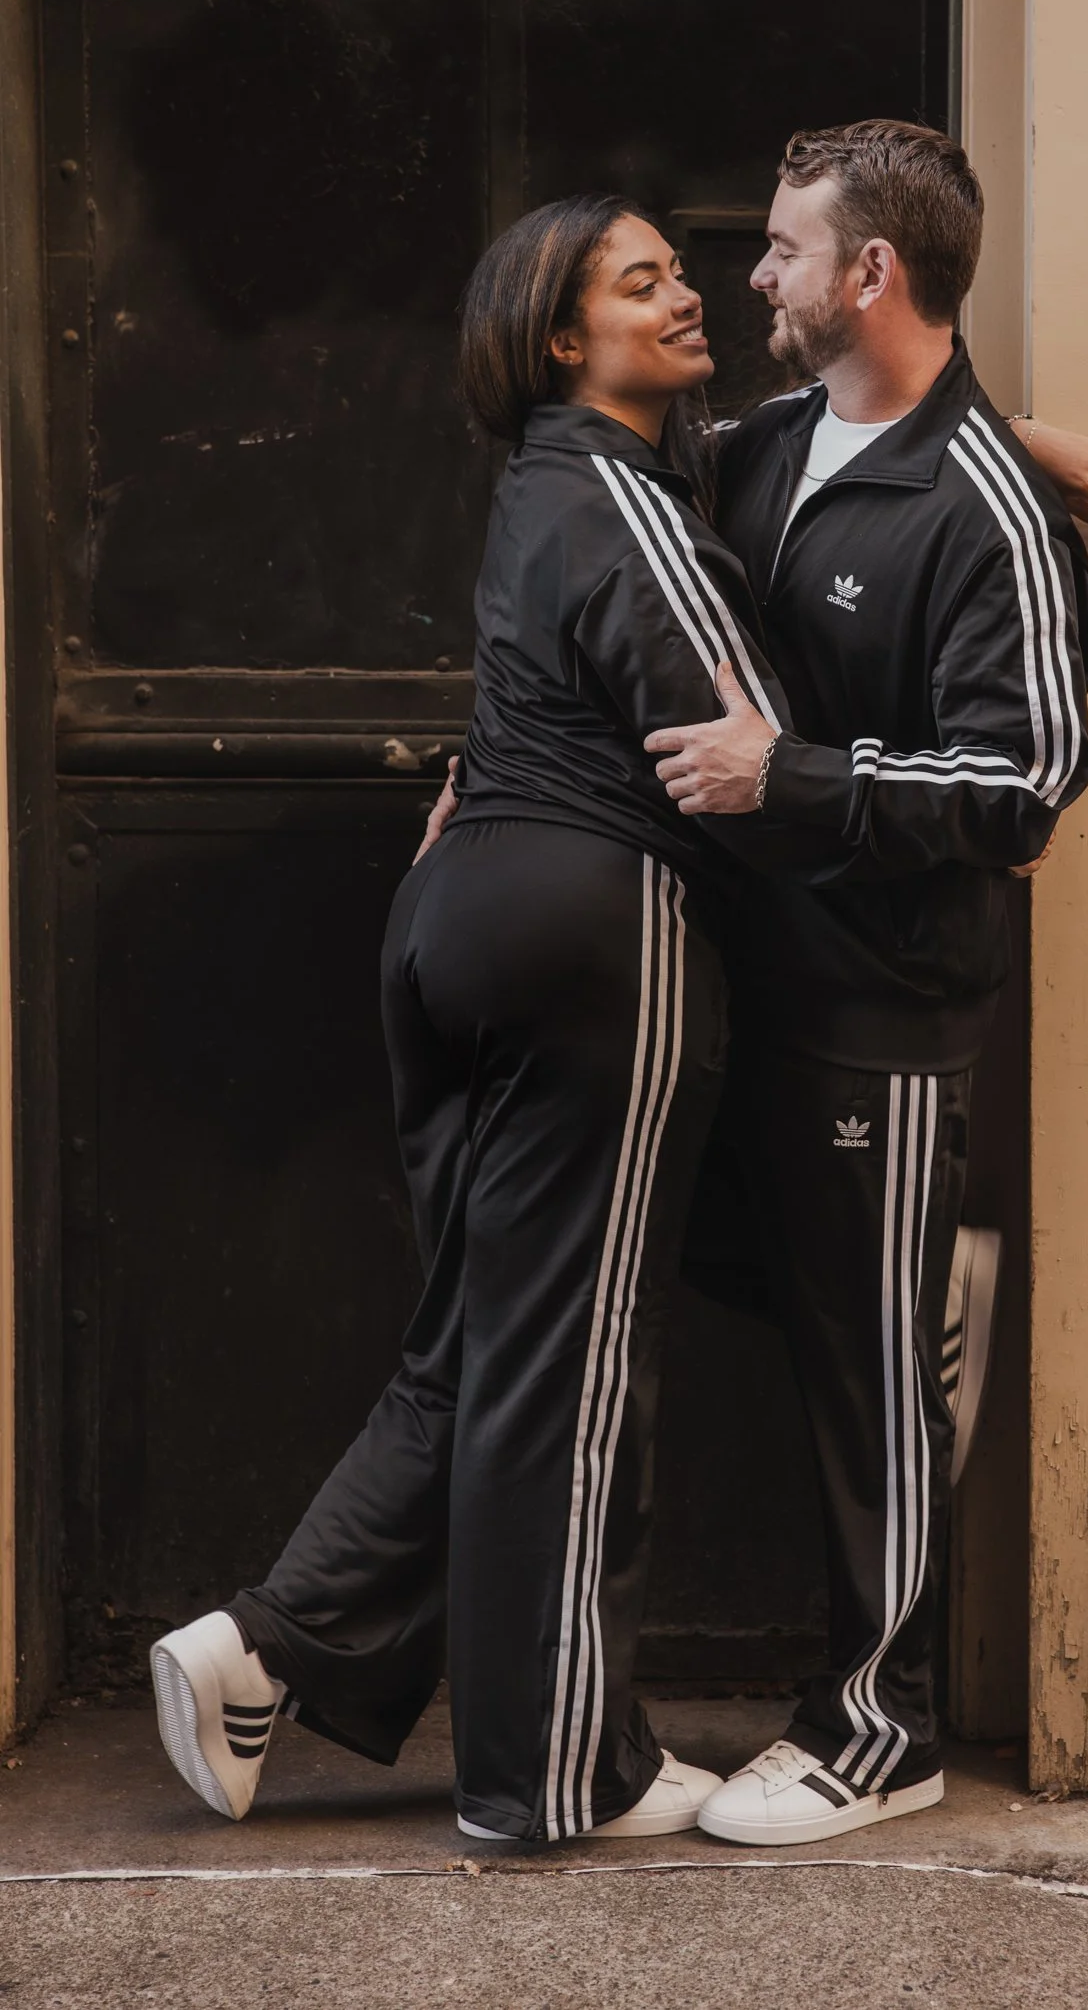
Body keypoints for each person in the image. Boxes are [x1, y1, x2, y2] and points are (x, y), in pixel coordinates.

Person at [150, 196, 834, 1845]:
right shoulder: (621, 496)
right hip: (592, 921)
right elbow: (744, 744)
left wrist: (998, 436)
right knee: (576, 1366)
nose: (688, 294)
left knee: (487, 1342)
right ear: (558, 337)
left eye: (684, 269)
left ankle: (271, 1644)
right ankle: (552, 1772)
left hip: (454, 921)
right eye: (642, 280)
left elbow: (796, 433)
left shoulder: (548, 482)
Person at [635, 119, 1088, 1845]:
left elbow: (1028, 783)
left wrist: (798, 778)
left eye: (777, 247)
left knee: (865, 1371)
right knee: (751, 1286)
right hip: (727, 982)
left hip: (883, 1009)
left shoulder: (991, 512)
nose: (748, 274)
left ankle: (874, 1731)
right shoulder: (762, 443)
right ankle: (932, 1283)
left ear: (869, 272)